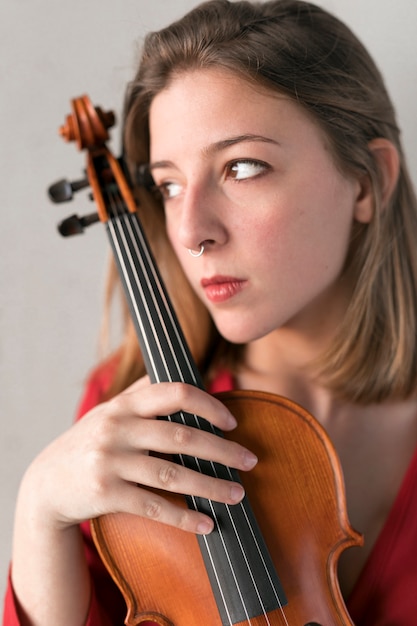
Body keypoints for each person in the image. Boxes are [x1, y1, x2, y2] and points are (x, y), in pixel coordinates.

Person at [4, 0, 417, 624]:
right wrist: (39, 511)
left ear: (366, 182)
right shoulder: (131, 412)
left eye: (242, 168)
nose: (193, 230)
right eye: (168, 185)